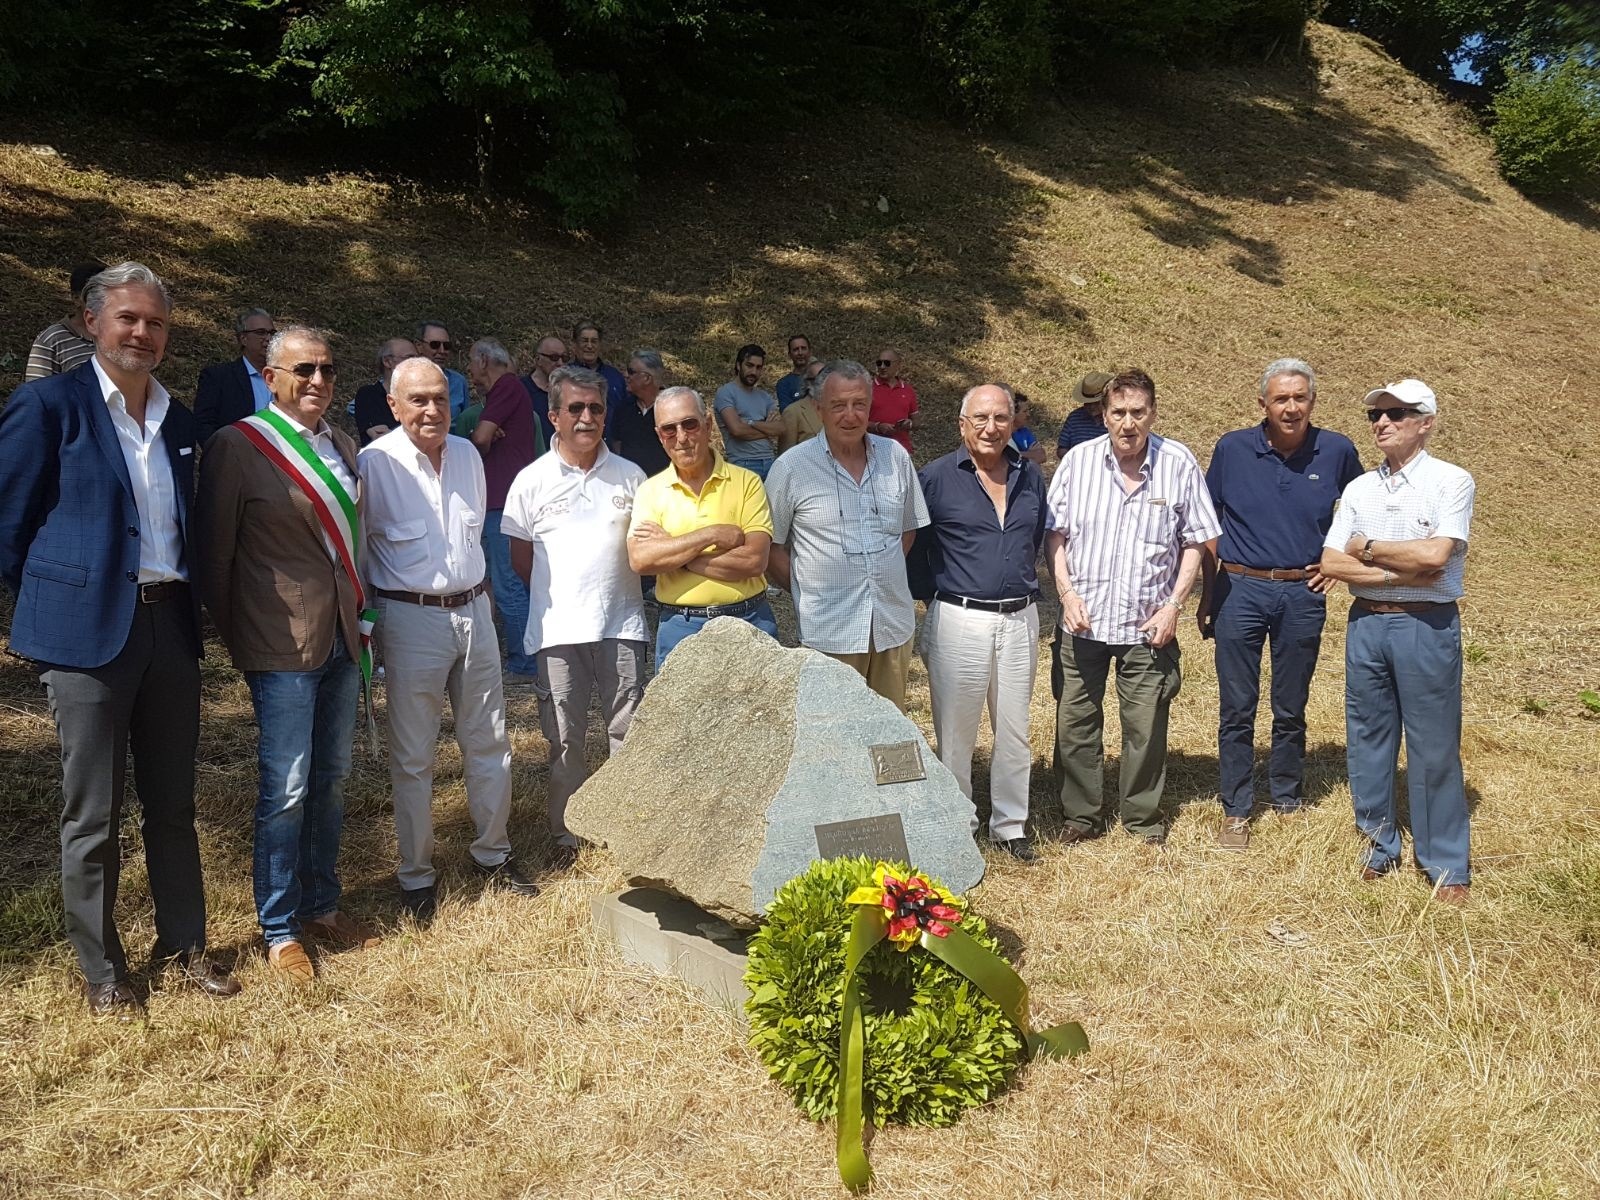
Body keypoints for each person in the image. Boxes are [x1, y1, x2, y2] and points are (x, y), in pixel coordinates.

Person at [0, 262, 238, 1016]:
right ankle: (103, 972)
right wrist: (52, 605)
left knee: (172, 802)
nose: (143, 333)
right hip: (86, 638)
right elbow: (7, 525)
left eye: (156, 322)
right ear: (90, 322)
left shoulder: (181, 421)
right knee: (92, 812)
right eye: (128, 318)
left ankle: (185, 945)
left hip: (169, 626)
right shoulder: (47, 406)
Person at [197, 325, 380, 982]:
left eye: (328, 370)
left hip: (340, 634)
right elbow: (214, 556)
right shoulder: (238, 446)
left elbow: (351, 547)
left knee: (330, 781)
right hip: (278, 644)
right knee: (287, 788)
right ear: (270, 376)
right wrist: (239, 636)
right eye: (303, 369)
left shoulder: (343, 444)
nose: (318, 382)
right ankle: (279, 928)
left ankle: (322, 906)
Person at [359, 357, 539, 921]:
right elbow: (361, 553)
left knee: (489, 740)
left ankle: (494, 853)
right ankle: (416, 876)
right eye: (418, 400)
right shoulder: (374, 463)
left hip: (475, 611)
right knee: (413, 758)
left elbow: (473, 541)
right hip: (410, 619)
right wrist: (374, 631)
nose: (432, 409)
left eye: (440, 398)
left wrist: (483, 602)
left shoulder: (466, 454)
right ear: (394, 406)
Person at [1045, 368, 1219, 846]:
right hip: (1083, 619)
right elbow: (1054, 535)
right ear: (1103, 415)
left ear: (1153, 414)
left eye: (1138, 413)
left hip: (1148, 624)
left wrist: (1174, 606)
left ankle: (1141, 817)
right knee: (1076, 721)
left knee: (1145, 725)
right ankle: (1081, 814)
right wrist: (1066, 593)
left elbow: (1197, 540)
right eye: (1118, 412)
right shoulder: (1077, 463)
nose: (1128, 423)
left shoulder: (1178, 463)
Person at [1320, 379, 1474, 904]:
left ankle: (1446, 862)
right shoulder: (1361, 488)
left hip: (1425, 626)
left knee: (1433, 745)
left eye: (1397, 413)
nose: (1382, 423)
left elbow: (1436, 558)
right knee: (1368, 735)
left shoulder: (1452, 481)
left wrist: (1366, 548)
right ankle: (1378, 843)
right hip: (1367, 622)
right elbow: (1330, 562)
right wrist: (1389, 569)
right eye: (1376, 416)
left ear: (1425, 422)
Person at [1200, 358, 1363, 850]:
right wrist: (1209, 592)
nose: (1291, 407)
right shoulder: (1232, 449)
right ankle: (1236, 808)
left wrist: (1339, 561)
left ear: (1313, 401)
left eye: (1300, 398)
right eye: (1281, 399)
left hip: (1302, 593)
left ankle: (1287, 797)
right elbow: (1207, 522)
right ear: (1263, 405)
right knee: (1237, 706)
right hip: (1240, 590)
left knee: (1290, 705)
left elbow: (1363, 511)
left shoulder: (1336, 451)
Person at [500, 366, 647, 861]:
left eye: (596, 408)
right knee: (564, 738)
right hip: (558, 629)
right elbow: (523, 561)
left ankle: (626, 829)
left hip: (622, 625)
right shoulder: (530, 481)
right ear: (554, 416)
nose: (587, 418)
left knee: (625, 732)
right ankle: (567, 834)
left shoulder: (632, 478)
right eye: (576, 409)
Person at [918, 384, 1047, 862]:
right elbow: (916, 545)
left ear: (1013, 423)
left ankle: (1010, 826)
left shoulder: (1029, 477)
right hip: (959, 617)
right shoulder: (935, 477)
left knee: (1014, 728)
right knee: (957, 731)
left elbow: (1035, 536)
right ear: (962, 425)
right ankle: (957, 822)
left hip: (1020, 617)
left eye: (1000, 418)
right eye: (981, 418)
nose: (991, 428)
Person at [767, 360, 929, 710]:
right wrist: (804, 589)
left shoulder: (895, 457)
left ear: (871, 406)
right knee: (832, 740)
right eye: (838, 405)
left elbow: (908, 529)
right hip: (829, 631)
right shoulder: (791, 468)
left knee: (889, 735)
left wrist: (880, 571)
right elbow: (770, 548)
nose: (850, 415)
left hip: (891, 625)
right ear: (818, 408)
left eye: (859, 404)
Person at [628, 386, 776, 664]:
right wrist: (712, 534)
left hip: (748, 621)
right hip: (681, 627)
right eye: (669, 429)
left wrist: (674, 552)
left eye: (690, 424)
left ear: (708, 424)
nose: (681, 437)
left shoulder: (747, 483)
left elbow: (754, 560)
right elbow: (641, 559)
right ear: (660, 436)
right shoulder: (650, 491)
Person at [468, 337, 546, 681]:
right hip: (509, 498)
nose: (469, 370)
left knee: (508, 583)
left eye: (471, 362)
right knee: (513, 579)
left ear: (485, 361)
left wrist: (475, 441)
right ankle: (529, 656)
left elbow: (481, 439)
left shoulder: (506, 387)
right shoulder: (509, 391)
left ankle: (525, 662)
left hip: (504, 500)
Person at [193, 308, 277, 445]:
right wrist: (225, 455)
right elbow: (203, 425)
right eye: (261, 333)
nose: (269, 338)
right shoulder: (219, 377)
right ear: (243, 339)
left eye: (272, 333)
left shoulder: (285, 376)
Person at [25, 260, 104, 382]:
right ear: (76, 298)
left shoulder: (120, 334)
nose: (103, 302)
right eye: (95, 296)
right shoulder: (52, 339)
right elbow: (36, 394)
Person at [714, 343, 784, 481]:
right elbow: (737, 430)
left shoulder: (765, 397)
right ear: (739, 365)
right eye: (749, 365)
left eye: (758, 367)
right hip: (743, 464)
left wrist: (750, 423)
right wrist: (767, 428)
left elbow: (781, 428)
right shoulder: (726, 393)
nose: (754, 372)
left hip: (770, 461)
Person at [609, 349, 671, 477]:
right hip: (629, 483)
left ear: (647, 378)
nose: (625, 375)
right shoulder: (623, 407)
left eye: (631, 371)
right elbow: (616, 443)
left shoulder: (671, 408)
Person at [352, 337, 417, 447]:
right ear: (387, 362)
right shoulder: (369, 396)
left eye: (418, 359)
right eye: (410, 359)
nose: (417, 364)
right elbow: (382, 439)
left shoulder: (422, 398)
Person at [571, 319, 629, 417]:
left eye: (594, 341)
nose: (589, 346)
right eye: (584, 341)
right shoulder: (565, 376)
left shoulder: (615, 377)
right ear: (575, 344)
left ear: (600, 345)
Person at [415, 319, 472, 418]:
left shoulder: (458, 382)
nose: (442, 351)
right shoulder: (404, 381)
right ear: (419, 346)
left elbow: (465, 423)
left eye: (446, 346)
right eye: (435, 345)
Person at [869, 348, 919, 456]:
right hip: (873, 451)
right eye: (879, 363)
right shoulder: (867, 388)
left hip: (902, 451)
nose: (882, 367)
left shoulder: (907, 390)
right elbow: (856, 422)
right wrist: (878, 427)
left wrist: (908, 424)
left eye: (887, 363)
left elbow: (917, 422)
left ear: (898, 365)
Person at [522, 335, 569, 447]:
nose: (560, 363)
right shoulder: (521, 390)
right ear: (538, 359)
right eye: (554, 357)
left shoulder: (570, 390)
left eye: (564, 358)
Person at [1055, 371, 1113, 459]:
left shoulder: (1115, 418)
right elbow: (1062, 449)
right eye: (1088, 403)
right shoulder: (1074, 418)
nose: (1092, 407)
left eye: (1096, 403)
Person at [777, 359, 825, 455]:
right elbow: (785, 456)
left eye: (826, 378)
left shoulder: (837, 410)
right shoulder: (792, 412)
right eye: (818, 379)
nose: (823, 383)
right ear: (807, 383)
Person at [1006, 389, 1048, 466]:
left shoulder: (1025, 432)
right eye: (1024, 411)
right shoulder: (1003, 434)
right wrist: (1031, 453)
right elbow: (1005, 458)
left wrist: (1018, 454)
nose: (1028, 414)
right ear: (1013, 414)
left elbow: (1042, 456)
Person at [775, 333, 813, 411]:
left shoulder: (822, 377)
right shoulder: (784, 384)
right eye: (795, 349)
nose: (800, 353)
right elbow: (788, 414)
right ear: (790, 355)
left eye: (803, 348)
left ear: (810, 352)